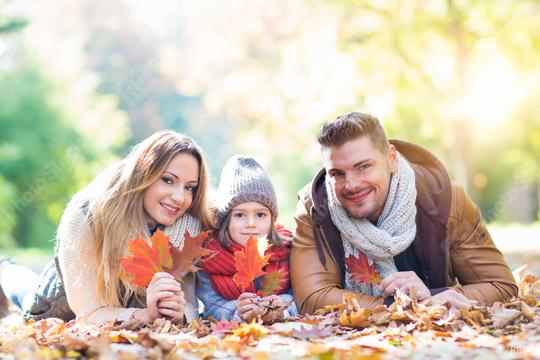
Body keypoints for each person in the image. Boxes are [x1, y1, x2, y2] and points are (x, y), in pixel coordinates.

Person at [291, 112, 517, 314]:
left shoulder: (447, 200)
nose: (351, 185)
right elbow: (312, 298)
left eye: (364, 167)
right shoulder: (315, 208)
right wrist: (397, 305)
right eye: (337, 174)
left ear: (391, 159)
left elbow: (500, 285)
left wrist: (433, 296)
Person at [0, 130, 214, 325]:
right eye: (167, 180)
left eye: (189, 188)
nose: (179, 197)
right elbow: (88, 314)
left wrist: (178, 314)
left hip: (124, 314)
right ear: (144, 173)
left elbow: (188, 305)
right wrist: (145, 316)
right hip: (61, 304)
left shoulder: (186, 230)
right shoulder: (87, 214)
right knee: (24, 290)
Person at [197, 155, 298, 322]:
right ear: (225, 220)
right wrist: (237, 312)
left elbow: (301, 297)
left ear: (272, 219)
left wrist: (282, 308)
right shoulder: (210, 256)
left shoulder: (287, 250)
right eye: (239, 215)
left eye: (260, 214)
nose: (251, 223)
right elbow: (211, 306)